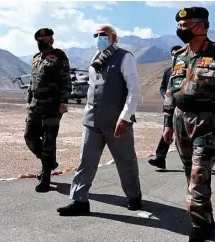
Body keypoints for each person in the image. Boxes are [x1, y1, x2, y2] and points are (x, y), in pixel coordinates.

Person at [162, 7, 215, 241]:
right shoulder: (178, 54)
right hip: (180, 120)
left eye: (185, 25)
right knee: (192, 173)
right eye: (179, 25)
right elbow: (171, 91)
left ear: (201, 26)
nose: (180, 29)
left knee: (199, 174)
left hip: (207, 121)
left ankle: (199, 226)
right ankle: (206, 219)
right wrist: (167, 123)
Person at [57, 25, 142, 216]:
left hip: (117, 121)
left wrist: (125, 117)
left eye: (102, 35)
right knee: (85, 161)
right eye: (95, 35)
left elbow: (134, 89)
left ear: (113, 37)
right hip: (92, 120)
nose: (98, 37)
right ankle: (79, 200)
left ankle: (134, 196)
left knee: (125, 161)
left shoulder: (124, 56)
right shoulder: (95, 57)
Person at [24, 28, 72, 193]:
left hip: (52, 106)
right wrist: (28, 100)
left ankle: (45, 176)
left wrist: (64, 101)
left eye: (44, 39)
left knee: (48, 141)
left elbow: (66, 80)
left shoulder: (59, 56)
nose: (41, 42)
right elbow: (32, 81)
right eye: (39, 39)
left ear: (51, 40)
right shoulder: (36, 58)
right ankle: (49, 162)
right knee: (29, 135)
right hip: (35, 105)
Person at [148, 45, 182, 169]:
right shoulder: (168, 71)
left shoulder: (188, 68)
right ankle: (160, 159)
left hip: (183, 108)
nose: (175, 56)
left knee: (183, 135)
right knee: (166, 133)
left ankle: (189, 160)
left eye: (177, 54)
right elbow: (162, 87)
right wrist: (166, 96)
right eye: (173, 54)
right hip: (169, 109)